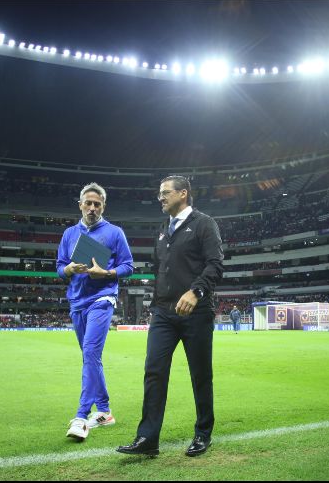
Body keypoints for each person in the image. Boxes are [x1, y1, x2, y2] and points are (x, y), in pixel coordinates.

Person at [117, 175, 224, 457]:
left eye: (165, 193)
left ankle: (203, 433)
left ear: (183, 194)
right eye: (160, 193)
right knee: (154, 371)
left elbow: (215, 264)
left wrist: (196, 292)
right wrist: (156, 302)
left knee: (200, 375)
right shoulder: (163, 229)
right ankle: (147, 439)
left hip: (197, 312)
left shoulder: (204, 224)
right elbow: (160, 269)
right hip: (163, 313)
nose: (160, 197)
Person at [56, 183, 134, 441]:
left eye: (97, 204)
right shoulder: (69, 234)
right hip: (76, 301)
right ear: (80, 205)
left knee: (90, 352)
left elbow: (128, 266)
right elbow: (59, 267)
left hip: (102, 298)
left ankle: (80, 417)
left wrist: (107, 273)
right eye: (88, 203)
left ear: (103, 206)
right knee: (91, 357)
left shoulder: (114, 232)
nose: (92, 208)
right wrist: (69, 270)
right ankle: (104, 411)